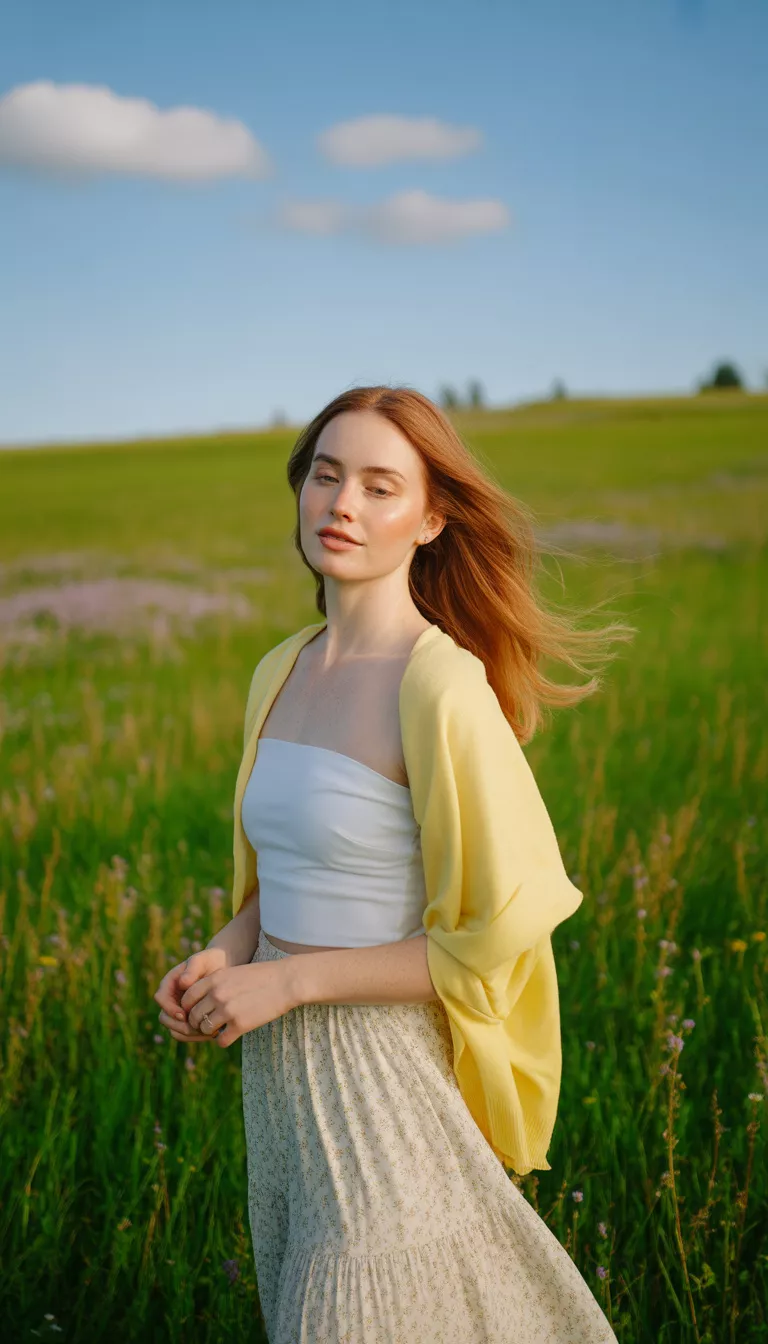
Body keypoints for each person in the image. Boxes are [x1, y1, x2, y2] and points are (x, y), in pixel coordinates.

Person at [154, 385, 630, 1342]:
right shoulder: (282, 666)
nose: (342, 506)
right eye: (326, 476)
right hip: (282, 1079)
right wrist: (229, 950)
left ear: (431, 518)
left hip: (381, 1073)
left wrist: (289, 984)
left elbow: (489, 939)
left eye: (380, 487)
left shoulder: (443, 687)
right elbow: (282, 869)